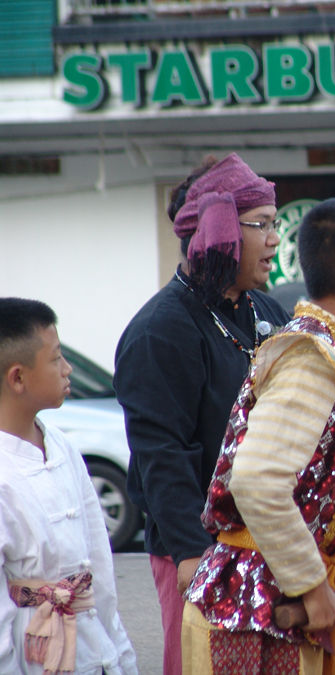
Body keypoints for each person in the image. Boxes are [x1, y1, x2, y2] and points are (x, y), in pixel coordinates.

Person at [182, 196, 335, 674]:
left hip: (264, 596)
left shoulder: (324, 345)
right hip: (256, 608)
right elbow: (257, 482)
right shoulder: (311, 355)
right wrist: (311, 583)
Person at [113, 153, 291, 675]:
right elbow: (160, 453)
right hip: (200, 548)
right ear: (218, 232)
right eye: (262, 225)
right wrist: (192, 553)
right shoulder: (160, 330)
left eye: (275, 224)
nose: (275, 240)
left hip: (269, 536)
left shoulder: (267, 310)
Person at [0, 298, 138, 674]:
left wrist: (120, 653)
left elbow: (100, 570)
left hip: (93, 643)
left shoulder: (61, 445)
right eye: (56, 358)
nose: (68, 368)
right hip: (31, 650)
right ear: (18, 377)